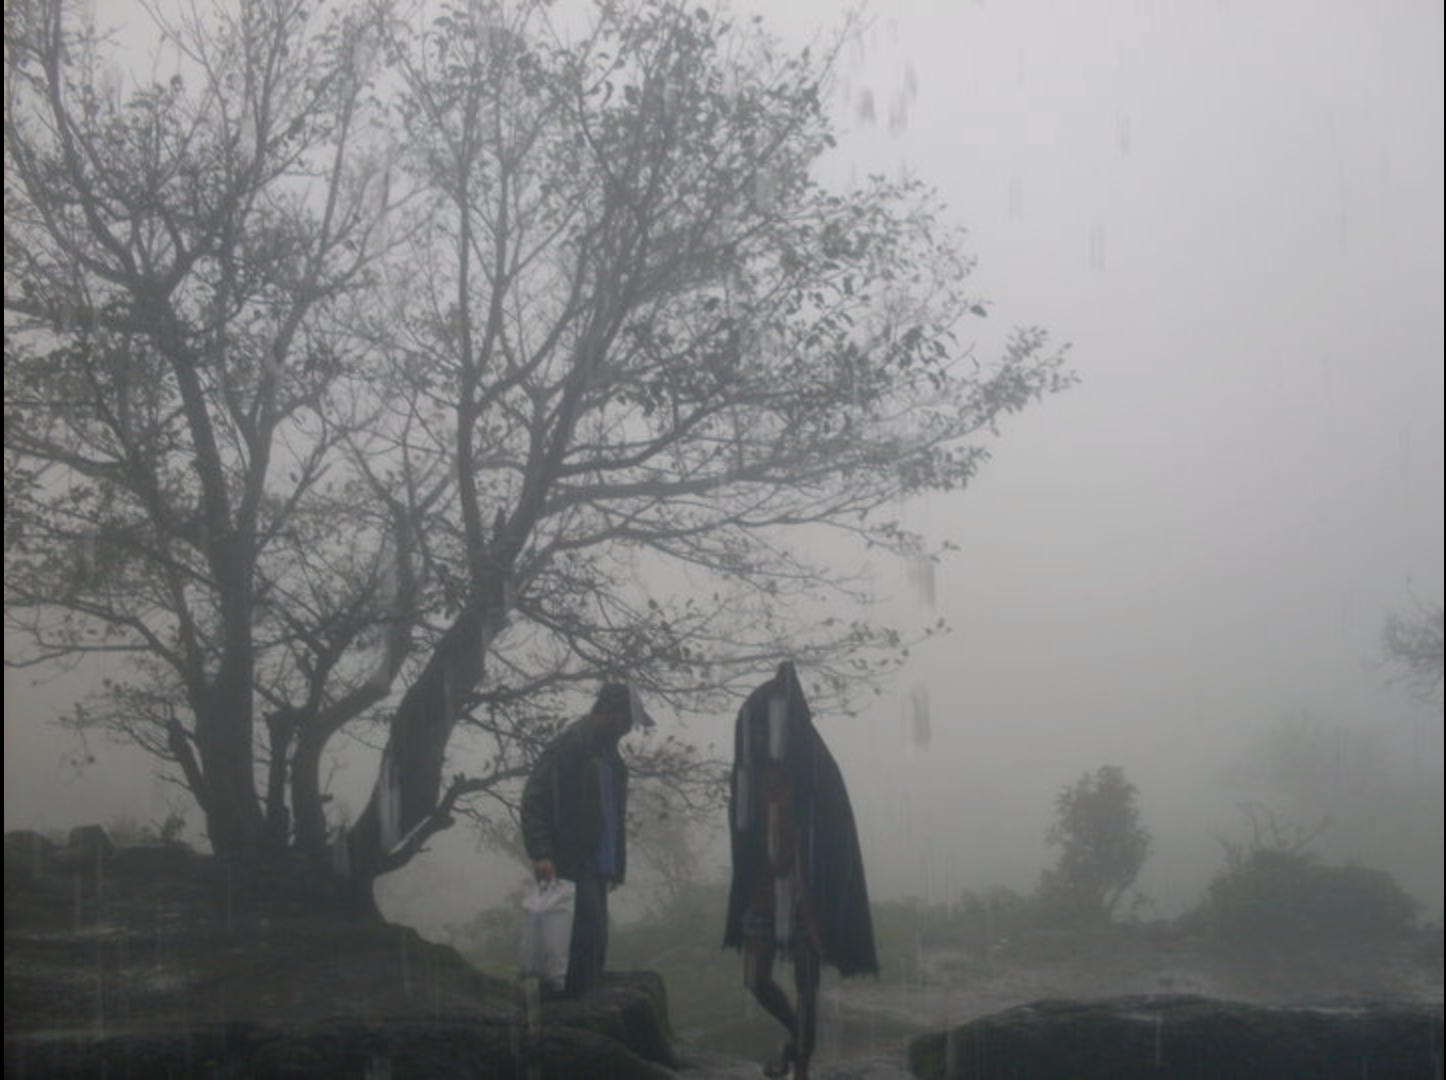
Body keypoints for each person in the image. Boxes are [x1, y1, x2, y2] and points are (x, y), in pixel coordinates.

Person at [723, 662, 878, 1079]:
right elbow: (744, 831)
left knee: (807, 983)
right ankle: (798, 1037)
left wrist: (806, 873)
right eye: (754, 728)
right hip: (762, 888)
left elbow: (833, 834)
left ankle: (803, 1065)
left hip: (804, 892)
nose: (758, 734)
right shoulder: (749, 771)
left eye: (764, 727)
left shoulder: (814, 770)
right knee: (756, 978)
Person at [520, 681, 655, 998]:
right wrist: (541, 853)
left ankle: (574, 1019)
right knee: (571, 949)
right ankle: (563, 1025)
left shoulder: (609, 755)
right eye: (626, 720)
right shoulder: (571, 745)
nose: (628, 729)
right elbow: (534, 798)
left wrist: (615, 866)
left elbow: (611, 816)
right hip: (572, 863)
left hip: (597, 867)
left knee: (591, 947)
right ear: (608, 711)